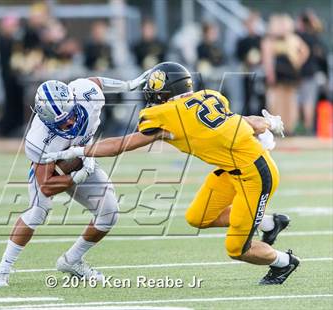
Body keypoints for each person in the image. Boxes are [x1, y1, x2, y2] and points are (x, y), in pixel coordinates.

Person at [43, 62, 300, 285]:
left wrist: (81, 150)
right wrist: (269, 123)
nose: (151, 96)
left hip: (254, 175)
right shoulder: (209, 96)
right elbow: (244, 121)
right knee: (198, 217)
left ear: (166, 91)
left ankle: (284, 262)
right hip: (233, 170)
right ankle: (269, 222)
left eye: (155, 90)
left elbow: (121, 145)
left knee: (237, 249)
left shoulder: (166, 116)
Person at [0, 70, 150, 287]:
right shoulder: (38, 138)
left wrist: (128, 85)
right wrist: (76, 176)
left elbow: (97, 81)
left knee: (109, 213)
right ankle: (3, 269)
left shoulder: (85, 93)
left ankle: (72, 260)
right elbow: (46, 185)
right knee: (38, 211)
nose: (71, 122)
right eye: (63, 122)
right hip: (54, 167)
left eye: (71, 114)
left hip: (81, 157)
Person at [261, 14, 309, 135]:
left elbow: (305, 51)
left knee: (290, 101)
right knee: (276, 101)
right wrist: (270, 74)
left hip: (290, 74)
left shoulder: (292, 38)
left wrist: (298, 63)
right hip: (277, 75)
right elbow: (267, 59)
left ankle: (289, 128)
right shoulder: (269, 41)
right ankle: (276, 127)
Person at [296, 10, 327, 135]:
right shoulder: (314, 37)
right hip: (310, 73)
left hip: (300, 73)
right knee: (308, 101)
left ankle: (301, 127)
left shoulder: (299, 36)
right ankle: (307, 128)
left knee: (301, 101)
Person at [0, 14, 24, 136]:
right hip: (8, 77)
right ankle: (7, 129)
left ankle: (17, 126)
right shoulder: (3, 40)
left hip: (15, 77)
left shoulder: (15, 41)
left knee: (18, 103)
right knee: (10, 103)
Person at [236, 12, 265, 115]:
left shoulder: (260, 39)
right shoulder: (242, 40)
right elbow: (238, 55)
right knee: (247, 96)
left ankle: (261, 116)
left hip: (260, 71)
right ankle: (248, 116)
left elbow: (265, 53)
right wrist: (247, 59)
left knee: (261, 96)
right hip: (247, 71)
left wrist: (259, 60)